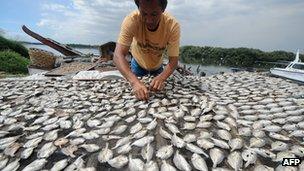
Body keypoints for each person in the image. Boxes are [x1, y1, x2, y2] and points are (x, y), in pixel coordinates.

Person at [114, 0, 181, 101]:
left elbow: (173, 61)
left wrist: (161, 77)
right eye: (144, 13)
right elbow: (118, 55)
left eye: (154, 14)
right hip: (137, 64)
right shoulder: (131, 20)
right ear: (139, 9)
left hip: (157, 66)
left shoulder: (172, 26)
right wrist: (134, 82)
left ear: (163, 9)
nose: (149, 20)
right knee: (139, 95)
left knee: (157, 90)